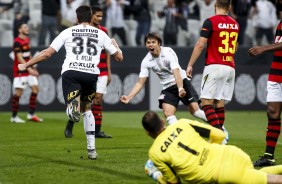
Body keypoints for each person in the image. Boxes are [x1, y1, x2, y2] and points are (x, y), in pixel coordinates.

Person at [18, 5, 123, 159]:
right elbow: (119, 58)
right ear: (91, 17)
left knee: (74, 104)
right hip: (91, 74)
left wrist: (26, 64)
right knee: (88, 108)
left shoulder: (68, 31)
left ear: (77, 18)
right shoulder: (101, 34)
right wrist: (116, 46)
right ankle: (92, 149)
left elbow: (47, 53)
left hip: (72, 72)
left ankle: (72, 108)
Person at [142, 111, 282, 184]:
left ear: (148, 133)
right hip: (232, 153)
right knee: (256, 174)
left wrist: (156, 175)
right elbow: (219, 134)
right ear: (162, 121)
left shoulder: (155, 153)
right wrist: (209, 151)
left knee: (274, 181)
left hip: (224, 174)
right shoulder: (182, 123)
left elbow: (173, 182)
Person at [120, 32, 207, 126]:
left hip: (181, 81)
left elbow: (176, 72)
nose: (150, 44)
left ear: (159, 43)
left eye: (153, 42)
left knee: (195, 111)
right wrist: (129, 97)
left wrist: (180, 88)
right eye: (148, 42)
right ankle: (179, 134)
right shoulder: (146, 61)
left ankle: (220, 127)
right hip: (168, 87)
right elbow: (140, 83)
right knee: (168, 113)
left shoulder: (168, 52)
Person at [186, 0, 239, 132]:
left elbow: (200, 44)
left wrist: (190, 65)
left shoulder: (210, 21)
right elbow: (235, 47)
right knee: (219, 101)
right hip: (230, 66)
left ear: (215, 5)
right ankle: (220, 138)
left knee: (206, 103)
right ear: (229, 7)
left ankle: (219, 133)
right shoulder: (235, 24)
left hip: (214, 66)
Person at [64, 5, 113, 139]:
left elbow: (109, 52)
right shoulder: (82, 30)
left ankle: (97, 131)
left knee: (97, 99)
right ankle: (70, 124)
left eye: (101, 16)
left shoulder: (103, 31)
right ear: (90, 16)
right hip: (86, 69)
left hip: (101, 70)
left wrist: (109, 71)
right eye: (97, 15)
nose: (100, 18)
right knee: (83, 101)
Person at [247, 0, 282, 167]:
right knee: (272, 113)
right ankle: (269, 156)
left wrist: (264, 48)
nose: (277, 1)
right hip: (276, 73)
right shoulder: (280, 22)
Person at [10, 22, 43, 123]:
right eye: (25, 27)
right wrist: (29, 69)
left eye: (27, 27)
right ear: (20, 30)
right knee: (18, 93)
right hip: (20, 71)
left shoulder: (27, 40)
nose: (27, 28)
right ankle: (14, 117)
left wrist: (34, 68)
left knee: (35, 89)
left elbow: (28, 56)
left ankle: (31, 115)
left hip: (29, 70)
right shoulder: (17, 42)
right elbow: (20, 58)